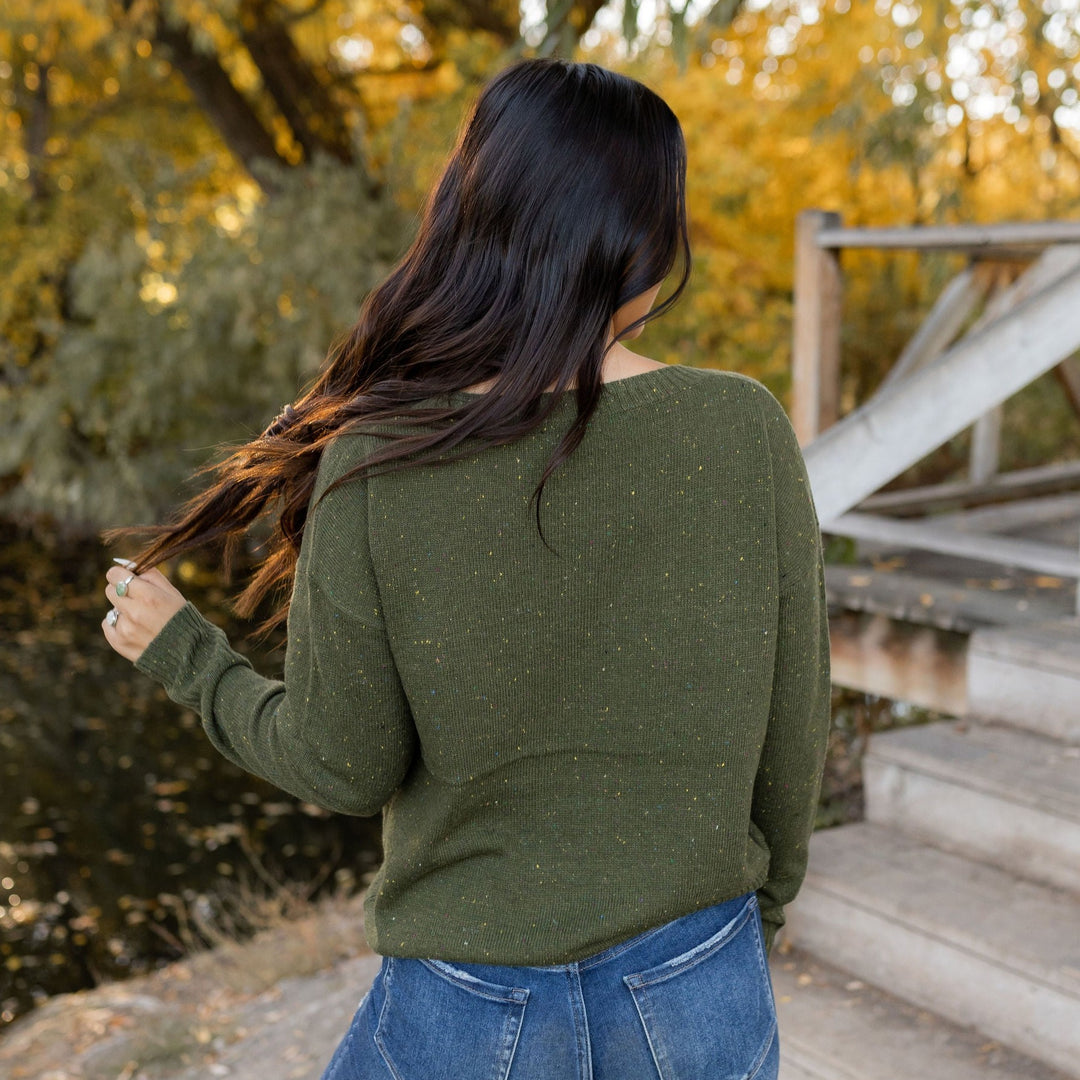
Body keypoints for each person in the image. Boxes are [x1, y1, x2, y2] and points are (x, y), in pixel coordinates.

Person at [101, 57, 831, 1080]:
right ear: (644, 238)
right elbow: (795, 720)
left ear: (474, 216)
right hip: (697, 969)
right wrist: (763, 915)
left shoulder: (379, 456)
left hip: (472, 1001)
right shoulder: (743, 429)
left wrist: (188, 656)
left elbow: (341, 765)